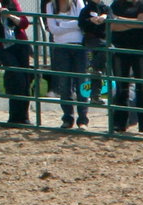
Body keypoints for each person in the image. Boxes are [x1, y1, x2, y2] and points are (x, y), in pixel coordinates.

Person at [109, 0, 143, 134]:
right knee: (121, 87)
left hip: (141, 49)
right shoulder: (116, 4)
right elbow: (112, 25)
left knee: (142, 88)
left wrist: (121, 20)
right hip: (120, 49)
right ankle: (119, 123)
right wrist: (133, 22)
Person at [47, 0, 91, 130]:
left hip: (79, 46)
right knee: (64, 83)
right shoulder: (50, 5)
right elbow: (53, 29)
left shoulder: (78, 3)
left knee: (82, 82)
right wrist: (71, 24)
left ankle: (83, 119)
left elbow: (81, 23)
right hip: (61, 47)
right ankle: (68, 118)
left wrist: (62, 24)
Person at [78, 0, 110, 105]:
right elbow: (81, 23)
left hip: (104, 39)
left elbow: (113, 17)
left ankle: (95, 95)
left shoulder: (105, 8)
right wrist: (91, 20)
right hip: (91, 40)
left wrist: (105, 17)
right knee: (97, 70)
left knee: (98, 68)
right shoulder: (86, 9)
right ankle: (95, 96)